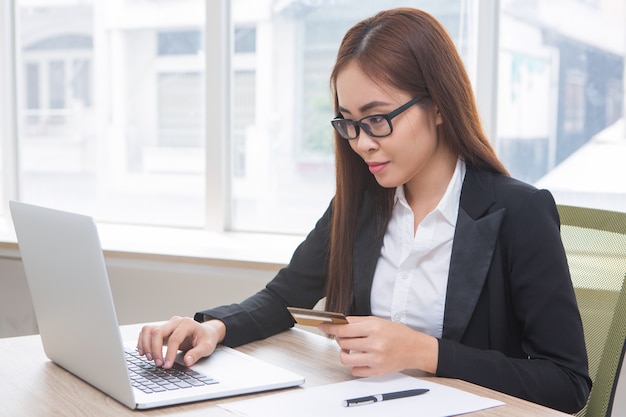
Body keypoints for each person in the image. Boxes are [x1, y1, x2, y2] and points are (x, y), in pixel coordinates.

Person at [137, 7, 591, 413]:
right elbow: (284, 300)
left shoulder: (519, 212)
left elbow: (567, 384)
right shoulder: (362, 204)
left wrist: (424, 351)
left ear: (437, 107)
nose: (361, 143)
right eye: (349, 123)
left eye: (377, 119)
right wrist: (215, 327)